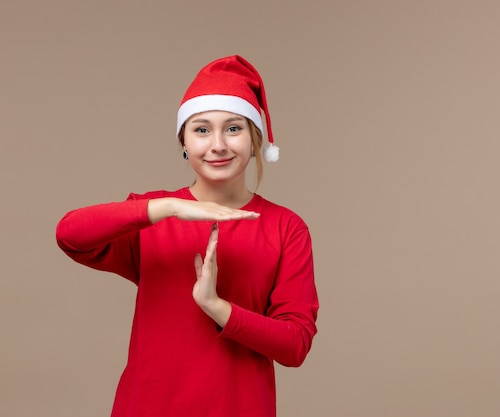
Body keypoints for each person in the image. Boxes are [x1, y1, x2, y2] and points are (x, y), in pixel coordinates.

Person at [56, 55, 319, 417]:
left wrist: (217, 307)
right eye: (201, 129)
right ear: (183, 140)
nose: (218, 145)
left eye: (233, 128)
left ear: (255, 138)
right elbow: (69, 234)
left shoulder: (285, 227)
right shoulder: (152, 215)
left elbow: (295, 345)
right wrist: (168, 208)